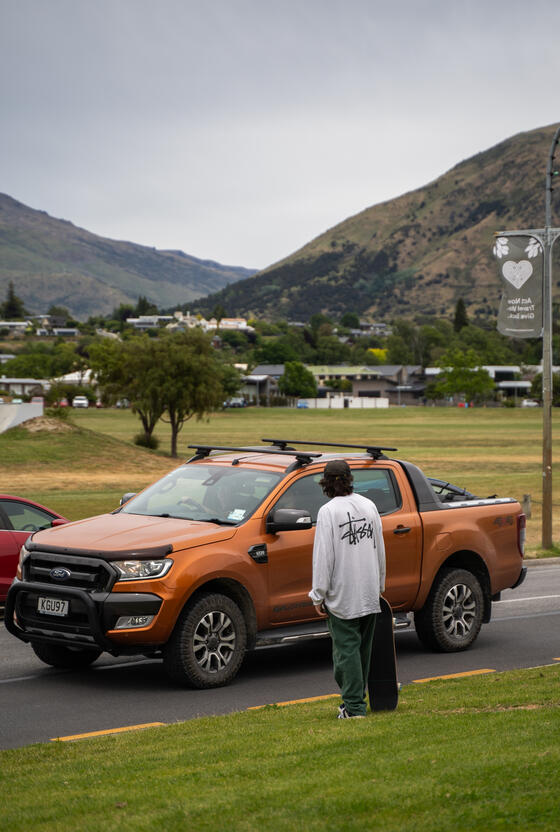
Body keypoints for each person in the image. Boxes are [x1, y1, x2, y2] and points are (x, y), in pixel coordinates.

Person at [309, 459, 386, 719]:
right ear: (350, 479)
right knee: (361, 650)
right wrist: (380, 584)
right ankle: (353, 700)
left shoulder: (328, 511)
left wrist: (318, 594)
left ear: (326, 483)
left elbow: (324, 557)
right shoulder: (369, 506)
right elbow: (380, 548)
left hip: (343, 594)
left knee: (346, 652)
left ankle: (354, 708)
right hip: (368, 588)